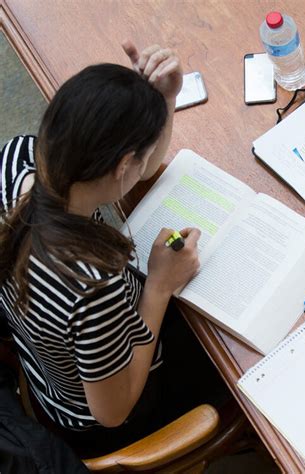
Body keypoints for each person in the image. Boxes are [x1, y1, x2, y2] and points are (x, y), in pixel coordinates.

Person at [0, 41, 227, 457]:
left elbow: (142, 169)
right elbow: (113, 412)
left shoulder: (17, 159)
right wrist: (158, 287)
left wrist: (164, 101)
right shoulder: (91, 285)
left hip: (46, 373)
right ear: (123, 166)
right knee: (231, 360)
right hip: (100, 419)